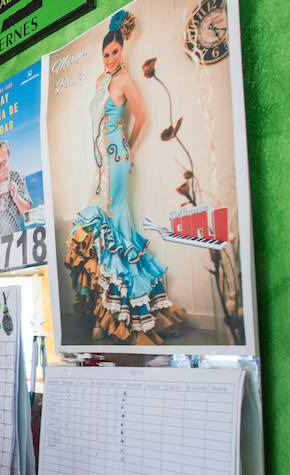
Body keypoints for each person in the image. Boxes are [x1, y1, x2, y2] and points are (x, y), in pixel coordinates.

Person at [64, 10, 187, 344]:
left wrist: (128, 149)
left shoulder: (124, 80)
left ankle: (123, 315)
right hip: (100, 159)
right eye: (105, 54)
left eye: (115, 52)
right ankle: (106, 310)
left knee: (112, 220)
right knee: (101, 222)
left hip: (116, 157)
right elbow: (94, 126)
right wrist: (98, 161)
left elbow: (143, 115)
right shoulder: (99, 81)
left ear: (123, 50)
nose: (110, 58)